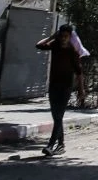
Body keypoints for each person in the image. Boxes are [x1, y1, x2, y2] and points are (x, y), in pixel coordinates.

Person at [35, 24, 85, 156]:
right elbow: (39, 45)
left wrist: (81, 90)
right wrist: (52, 36)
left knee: (58, 116)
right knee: (56, 116)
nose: (63, 38)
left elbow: (79, 73)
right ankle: (61, 144)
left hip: (66, 87)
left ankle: (50, 145)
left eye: (66, 36)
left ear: (70, 37)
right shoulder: (55, 45)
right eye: (61, 36)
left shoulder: (72, 51)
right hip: (54, 86)